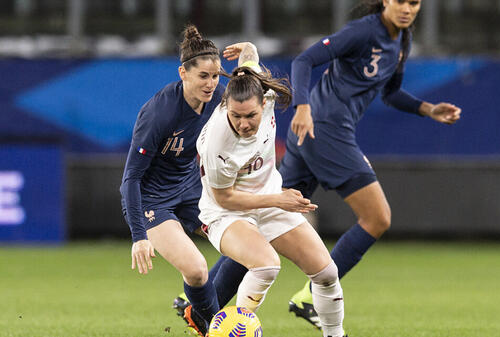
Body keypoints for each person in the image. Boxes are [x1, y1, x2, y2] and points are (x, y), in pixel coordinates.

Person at [279, 0, 463, 328]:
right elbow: (304, 59)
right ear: (385, 2)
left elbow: (390, 93)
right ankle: (311, 296)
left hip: (317, 132)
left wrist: (428, 109)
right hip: (325, 128)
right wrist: (301, 105)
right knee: (377, 218)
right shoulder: (363, 32)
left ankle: (205, 298)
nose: (407, 8)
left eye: (415, 2)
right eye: (400, 1)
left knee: (269, 218)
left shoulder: (401, 39)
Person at [196, 42, 347, 337]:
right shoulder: (218, 143)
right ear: (226, 105)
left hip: (268, 201)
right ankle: (233, 332)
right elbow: (223, 197)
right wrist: (278, 199)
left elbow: (250, 60)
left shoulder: (261, 90)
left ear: (263, 103)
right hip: (224, 213)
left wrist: (249, 47)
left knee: (327, 273)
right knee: (266, 265)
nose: (242, 123)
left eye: (249, 116)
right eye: (235, 116)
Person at [120, 24, 238, 337]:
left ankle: (197, 311)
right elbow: (130, 178)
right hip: (153, 202)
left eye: (215, 76)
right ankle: (215, 327)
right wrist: (138, 235)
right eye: (203, 76)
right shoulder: (161, 114)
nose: (211, 84)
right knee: (197, 269)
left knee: (246, 245)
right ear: (183, 73)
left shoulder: (218, 101)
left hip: (191, 191)